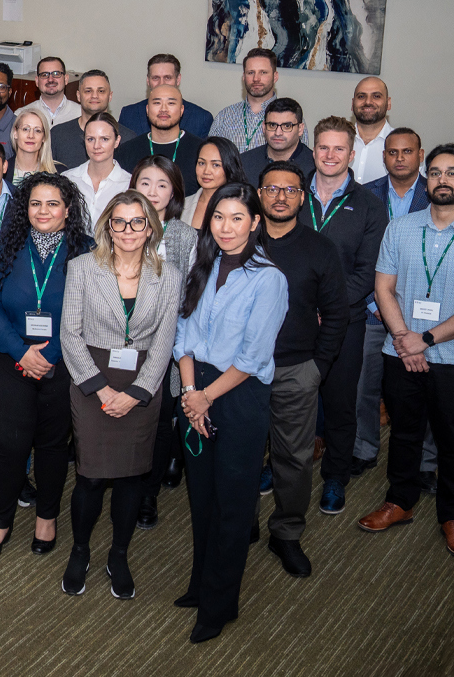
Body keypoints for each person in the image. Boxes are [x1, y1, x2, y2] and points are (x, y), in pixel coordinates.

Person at [359, 144, 454, 560]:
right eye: (437, 172)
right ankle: (400, 501)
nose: (444, 179)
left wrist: (424, 340)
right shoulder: (400, 228)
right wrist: (404, 337)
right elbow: (383, 288)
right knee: (404, 432)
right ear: (427, 180)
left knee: (453, 441)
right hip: (400, 350)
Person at [172, 183, 288, 644]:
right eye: (219, 217)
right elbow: (182, 336)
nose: (226, 227)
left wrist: (204, 397)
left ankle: (219, 605)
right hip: (194, 388)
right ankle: (201, 585)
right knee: (201, 498)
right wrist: (189, 393)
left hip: (238, 396)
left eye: (237, 218)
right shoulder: (202, 266)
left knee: (233, 505)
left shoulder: (269, 279)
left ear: (255, 223)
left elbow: (253, 357)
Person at [58, 190, 181, 597]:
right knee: (91, 476)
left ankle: (119, 554)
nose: (128, 230)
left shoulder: (169, 275)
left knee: (131, 476)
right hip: (91, 378)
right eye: (120, 222)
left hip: (143, 381)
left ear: (150, 228)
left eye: (137, 222)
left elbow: (164, 342)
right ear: (108, 227)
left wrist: (138, 392)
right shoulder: (82, 268)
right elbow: (70, 334)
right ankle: (80, 551)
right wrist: (102, 389)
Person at [0, 173, 90, 560]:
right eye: (35, 203)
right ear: (25, 208)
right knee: (9, 446)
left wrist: (49, 353)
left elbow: (88, 310)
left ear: (67, 210)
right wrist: (19, 351)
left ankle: (46, 517)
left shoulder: (85, 251)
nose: (43, 211)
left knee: (52, 446)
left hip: (63, 363)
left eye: (52, 204)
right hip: (13, 361)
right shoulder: (9, 245)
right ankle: (0, 522)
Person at [255, 161, 347, 576]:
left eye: (290, 190)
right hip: (239, 372)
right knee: (240, 454)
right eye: (272, 189)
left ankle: (287, 533)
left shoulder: (319, 248)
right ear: (259, 194)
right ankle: (240, 522)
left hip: (295, 370)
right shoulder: (238, 240)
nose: (280, 197)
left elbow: (337, 314)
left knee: (293, 459)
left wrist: (317, 368)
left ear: (302, 197)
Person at [297, 117, 385, 514]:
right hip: (292, 320)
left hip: (344, 322)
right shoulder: (292, 193)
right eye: (323, 147)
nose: (329, 155)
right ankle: (282, 467)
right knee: (290, 400)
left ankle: (335, 475)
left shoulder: (369, 205)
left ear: (351, 154)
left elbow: (368, 272)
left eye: (338, 149)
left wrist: (326, 308)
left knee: (339, 402)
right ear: (313, 150)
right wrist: (303, 308)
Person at [355, 127, 430, 480]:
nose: (399, 158)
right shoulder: (364, 195)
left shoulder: (437, 195)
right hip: (372, 308)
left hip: (420, 314)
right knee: (363, 387)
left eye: (407, 151)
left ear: (420, 155)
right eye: (392, 152)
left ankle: (426, 462)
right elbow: (356, 254)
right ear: (383, 157)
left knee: (421, 391)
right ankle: (363, 448)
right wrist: (373, 303)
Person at [131, 156, 195, 527]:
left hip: (167, 351)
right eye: (145, 183)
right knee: (125, 421)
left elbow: (192, 298)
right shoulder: (118, 226)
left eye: (162, 184)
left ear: (174, 192)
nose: (153, 192)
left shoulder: (186, 237)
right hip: (123, 348)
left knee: (157, 425)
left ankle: (147, 495)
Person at [116, 85, 205, 196]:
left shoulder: (201, 151)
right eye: (157, 103)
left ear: (182, 110)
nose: (163, 109)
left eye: (171, 103)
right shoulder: (126, 151)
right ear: (147, 109)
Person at [60, 113, 131, 234]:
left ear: (117, 141)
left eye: (104, 139)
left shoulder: (129, 184)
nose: (96, 146)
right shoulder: (67, 179)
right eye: (90, 139)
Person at [51, 70, 136, 170]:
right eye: (88, 91)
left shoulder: (129, 139)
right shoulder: (57, 134)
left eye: (101, 91)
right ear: (78, 95)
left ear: (110, 96)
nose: (94, 96)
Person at [117, 54, 214, 138]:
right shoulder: (129, 115)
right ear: (148, 81)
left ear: (178, 79)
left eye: (167, 78)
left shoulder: (202, 118)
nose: (161, 83)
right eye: (156, 78)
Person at [208, 48, 279, 152]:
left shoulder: (291, 120)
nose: (256, 78)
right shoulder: (224, 117)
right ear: (244, 77)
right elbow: (210, 156)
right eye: (251, 72)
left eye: (263, 72)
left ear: (275, 77)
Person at [238, 97, 315, 184]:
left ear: (300, 129)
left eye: (287, 126)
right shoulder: (244, 163)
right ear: (264, 127)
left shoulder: (315, 166)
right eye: (272, 125)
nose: (278, 133)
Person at [181, 137, 247, 230]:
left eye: (216, 165)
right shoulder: (182, 205)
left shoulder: (242, 206)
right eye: (202, 163)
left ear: (229, 167)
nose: (206, 171)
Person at [348, 76, 395, 184]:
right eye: (361, 96)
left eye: (376, 96)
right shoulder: (337, 142)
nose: (368, 102)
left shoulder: (404, 145)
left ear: (388, 103)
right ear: (352, 103)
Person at [16, 56, 81, 128]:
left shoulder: (80, 114)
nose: (50, 79)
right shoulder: (21, 115)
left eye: (56, 74)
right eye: (44, 75)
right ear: (37, 81)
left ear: (66, 79)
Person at [7, 109, 59, 188]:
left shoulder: (59, 172)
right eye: (25, 129)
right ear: (15, 133)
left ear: (44, 137)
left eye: (37, 131)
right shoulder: (1, 170)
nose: (31, 136)